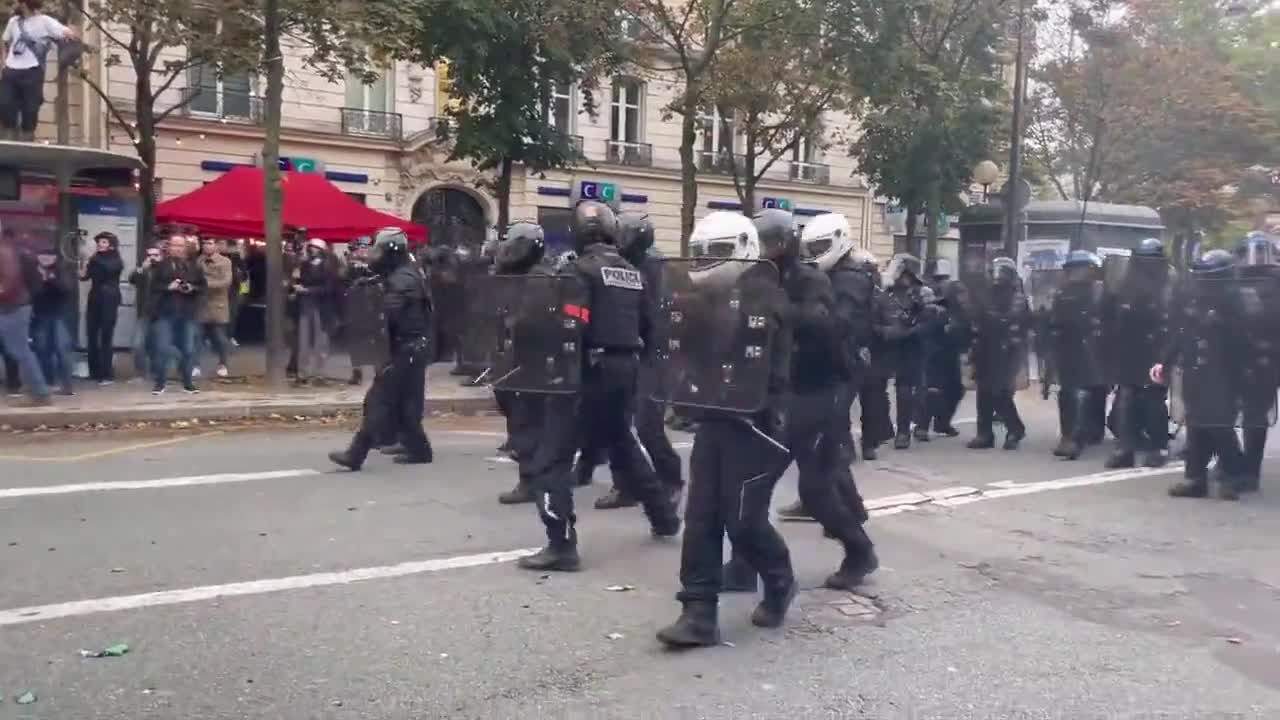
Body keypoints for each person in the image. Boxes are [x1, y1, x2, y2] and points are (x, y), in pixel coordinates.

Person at [655, 210, 796, 648]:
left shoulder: (764, 296)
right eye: (698, 253)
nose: (703, 261)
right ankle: (698, 611)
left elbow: (762, 358)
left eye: (713, 253)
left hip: (756, 422)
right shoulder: (708, 298)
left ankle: (778, 579)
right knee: (700, 516)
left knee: (742, 518)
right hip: (716, 416)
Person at [516, 201, 681, 573]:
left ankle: (560, 545)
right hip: (625, 368)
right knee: (622, 443)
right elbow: (649, 327)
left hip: (586, 369)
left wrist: (562, 371)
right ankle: (664, 516)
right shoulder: (630, 273)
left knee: (552, 458)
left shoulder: (579, 271)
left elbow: (573, 324)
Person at [583, 212, 684, 511]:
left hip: (656, 355)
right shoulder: (623, 267)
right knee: (619, 423)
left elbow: (655, 314)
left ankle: (671, 479)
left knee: (647, 423)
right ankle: (625, 484)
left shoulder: (654, 267)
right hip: (633, 353)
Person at [328, 227, 434, 470]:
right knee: (406, 404)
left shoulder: (403, 279)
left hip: (407, 349)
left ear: (392, 252)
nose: (374, 255)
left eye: (379, 250)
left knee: (378, 400)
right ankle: (419, 449)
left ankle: (356, 453)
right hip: (409, 349)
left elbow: (388, 313)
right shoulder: (401, 274)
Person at [1153, 249, 1246, 500]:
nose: (1202, 282)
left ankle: (1233, 477)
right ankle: (1195, 478)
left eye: (1208, 277)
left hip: (1225, 373)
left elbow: (1243, 343)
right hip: (1196, 370)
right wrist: (1165, 361)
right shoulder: (1196, 301)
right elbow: (1181, 333)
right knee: (1196, 427)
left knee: (1220, 428)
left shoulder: (1238, 303)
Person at [1101, 238, 1173, 469]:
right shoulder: (1126, 285)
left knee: (1153, 401)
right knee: (1126, 400)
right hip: (1129, 349)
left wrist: (1167, 355)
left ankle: (1159, 446)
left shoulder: (1168, 285)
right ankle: (1126, 448)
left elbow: (1174, 321)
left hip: (1156, 350)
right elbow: (1112, 316)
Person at [1231, 232, 1280, 492]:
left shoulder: (1277, 281)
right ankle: (1230, 461)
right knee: (1221, 413)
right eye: (1251, 251)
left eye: (1261, 251)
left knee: (1254, 416)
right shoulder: (1229, 279)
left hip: (1264, 357)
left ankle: (1250, 470)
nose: (1256, 257)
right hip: (1231, 356)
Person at [1047, 251, 1107, 461]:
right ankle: (1069, 436)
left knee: (1090, 392)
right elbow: (1053, 321)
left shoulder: (1100, 292)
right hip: (1068, 347)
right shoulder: (1062, 293)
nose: (1077, 273)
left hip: (1094, 347)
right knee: (1069, 393)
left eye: (1082, 268)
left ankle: (1083, 436)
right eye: (1073, 269)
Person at [968, 256, 1030, 450]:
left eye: (1002, 272)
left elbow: (1013, 319)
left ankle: (1015, 428)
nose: (998, 276)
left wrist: (993, 319)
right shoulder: (987, 294)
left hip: (1007, 349)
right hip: (986, 347)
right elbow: (977, 316)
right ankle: (984, 433)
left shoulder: (1017, 296)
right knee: (984, 392)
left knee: (1000, 392)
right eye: (996, 271)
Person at [0, 0, 78, 141]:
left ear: (25, 3)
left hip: (32, 71)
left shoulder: (45, 21)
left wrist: (70, 33)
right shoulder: (14, 21)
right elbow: (5, 41)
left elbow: (65, 32)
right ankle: (8, 143)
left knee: (30, 111)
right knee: (5, 107)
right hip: (11, 71)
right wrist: (4, 63)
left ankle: (26, 145)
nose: (16, 4)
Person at [881, 254, 929, 448]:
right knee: (883, 390)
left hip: (913, 347)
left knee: (912, 390)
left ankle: (912, 429)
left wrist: (911, 331)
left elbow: (930, 321)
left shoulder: (921, 294)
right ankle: (891, 431)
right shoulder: (887, 294)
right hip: (891, 346)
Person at [149, 234, 205, 395]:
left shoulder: (193, 266)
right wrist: (168, 287)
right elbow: (152, 287)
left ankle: (187, 383)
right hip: (165, 313)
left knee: (188, 349)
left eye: (181, 246)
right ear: (169, 247)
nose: (178, 249)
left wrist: (191, 288)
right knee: (162, 348)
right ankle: (160, 383)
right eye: (175, 245)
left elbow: (203, 286)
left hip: (187, 313)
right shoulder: (160, 266)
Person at [0, 229, 50, 404]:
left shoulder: (4, 251)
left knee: (20, 350)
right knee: (19, 350)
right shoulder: (9, 249)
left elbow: (9, 281)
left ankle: (40, 392)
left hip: (12, 307)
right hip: (14, 305)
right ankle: (39, 391)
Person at [924, 259, 971, 436]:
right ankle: (923, 425)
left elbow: (965, 321)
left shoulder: (956, 298)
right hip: (934, 351)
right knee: (933, 389)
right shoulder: (929, 297)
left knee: (954, 388)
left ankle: (942, 422)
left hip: (949, 351)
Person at [293, 238, 339, 385]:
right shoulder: (304, 265)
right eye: (310, 247)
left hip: (322, 307)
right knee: (303, 341)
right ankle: (302, 373)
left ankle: (320, 374)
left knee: (321, 342)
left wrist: (308, 290)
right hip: (306, 306)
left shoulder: (328, 267)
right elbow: (298, 281)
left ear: (321, 251)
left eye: (314, 248)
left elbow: (330, 288)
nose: (311, 250)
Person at [81, 231, 123, 385]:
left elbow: (108, 268)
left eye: (104, 242)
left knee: (106, 337)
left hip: (109, 300)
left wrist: (91, 256)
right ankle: (94, 372)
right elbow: (84, 276)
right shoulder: (94, 259)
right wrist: (84, 261)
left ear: (111, 245)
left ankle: (107, 374)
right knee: (91, 336)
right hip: (95, 299)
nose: (100, 244)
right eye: (99, 241)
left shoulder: (116, 260)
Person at [30, 251, 74, 395]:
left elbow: (66, 289)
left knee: (62, 349)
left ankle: (66, 385)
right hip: (40, 315)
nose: (45, 259)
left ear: (55, 258)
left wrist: (49, 278)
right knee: (42, 349)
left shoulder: (61, 270)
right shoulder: (33, 271)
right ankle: (49, 382)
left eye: (49, 256)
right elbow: (32, 292)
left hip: (59, 315)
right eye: (42, 255)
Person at [195, 238, 233, 378]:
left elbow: (226, 281)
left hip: (218, 304)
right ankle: (195, 364)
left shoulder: (225, 262)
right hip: (201, 304)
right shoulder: (198, 261)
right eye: (204, 243)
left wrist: (206, 284)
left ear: (216, 246)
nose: (206, 246)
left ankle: (223, 364)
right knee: (197, 336)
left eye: (210, 243)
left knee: (220, 337)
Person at [343, 239, 376, 386]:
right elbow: (344, 282)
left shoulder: (376, 265)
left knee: (375, 341)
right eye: (360, 247)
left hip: (373, 308)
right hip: (356, 307)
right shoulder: (352, 266)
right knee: (355, 341)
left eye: (366, 247)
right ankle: (357, 371)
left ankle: (379, 370)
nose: (363, 250)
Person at [128, 243, 161, 380]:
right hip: (144, 312)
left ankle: (156, 373)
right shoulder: (142, 270)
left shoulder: (165, 269)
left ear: (161, 256)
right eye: (149, 255)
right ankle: (141, 374)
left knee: (157, 345)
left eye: (156, 255)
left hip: (161, 313)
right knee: (138, 344)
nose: (152, 258)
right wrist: (142, 268)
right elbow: (131, 279)